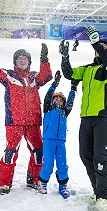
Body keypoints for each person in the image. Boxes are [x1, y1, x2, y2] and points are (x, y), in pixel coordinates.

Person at [59, 26, 107, 211]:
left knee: (101, 157)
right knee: (86, 155)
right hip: (86, 117)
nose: (99, 48)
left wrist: (97, 42)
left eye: (103, 47)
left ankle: (105, 197)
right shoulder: (88, 69)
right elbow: (70, 74)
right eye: (96, 46)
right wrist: (65, 57)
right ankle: (97, 191)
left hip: (105, 116)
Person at [0, 36, 52, 195]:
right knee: (10, 152)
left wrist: (44, 59)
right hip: (14, 121)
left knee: (38, 152)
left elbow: (46, 75)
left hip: (33, 122)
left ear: (29, 62)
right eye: (19, 59)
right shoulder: (9, 76)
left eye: (25, 59)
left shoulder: (34, 77)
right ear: (15, 62)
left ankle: (34, 180)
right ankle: (4, 184)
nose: (22, 61)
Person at [37, 70, 77, 199]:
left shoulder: (65, 111)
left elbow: (70, 102)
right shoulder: (48, 109)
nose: (58, 101)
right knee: (48, 164)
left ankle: (63, 186)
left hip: (60, 141)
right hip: (48, 140)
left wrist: (73, 88)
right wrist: (55, 84)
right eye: (56, 99)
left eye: (61, 100)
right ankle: (42, 183)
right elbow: (47, 97)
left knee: (62, 164)